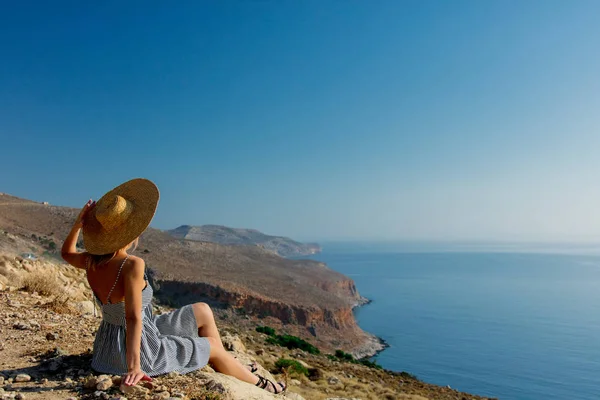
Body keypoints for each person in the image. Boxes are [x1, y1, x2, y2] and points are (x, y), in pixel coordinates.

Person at [61, 178, 286, 394]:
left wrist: (78, 225)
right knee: (212, 346)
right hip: (139, 350)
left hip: (107, 348)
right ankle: (263, 385)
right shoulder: (132, 265)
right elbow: (132, 318)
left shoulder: (91, 260)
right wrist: (134, 368)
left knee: (202, 310)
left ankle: (228, 363)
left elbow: (66, 253)